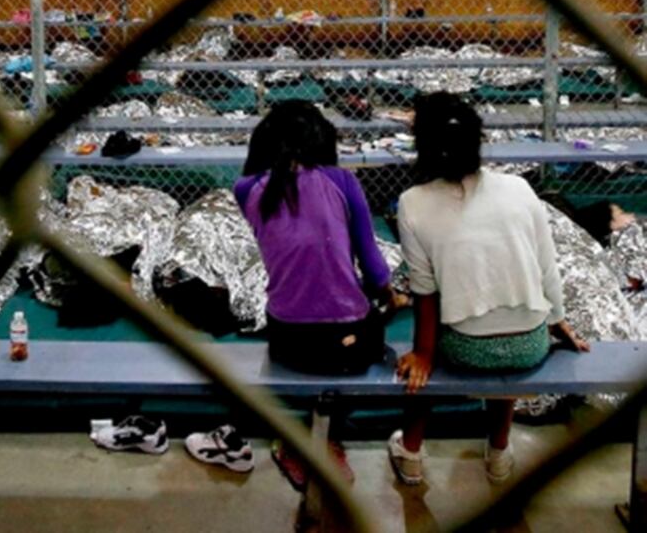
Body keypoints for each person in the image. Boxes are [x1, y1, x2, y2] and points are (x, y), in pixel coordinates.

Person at [184, 101, 399, 480]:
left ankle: (298, 442)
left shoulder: (246, 188)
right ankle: (326, 437)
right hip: (350, 344)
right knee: (375, 322)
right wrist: (390, 296)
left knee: (303, 317)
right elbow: (375, 268)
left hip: (289, 338)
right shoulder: (342, 181)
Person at [388, 92, 589, 486]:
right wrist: (558, 321)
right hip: (530, 345)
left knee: (424, 358)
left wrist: (424, 353)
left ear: (422, 146)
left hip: (468, 349)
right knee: (504, 309)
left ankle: (411, 452)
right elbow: (547, 266)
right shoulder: (519, 188)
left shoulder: (411, 203)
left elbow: (425, 293)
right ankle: (498, 450)